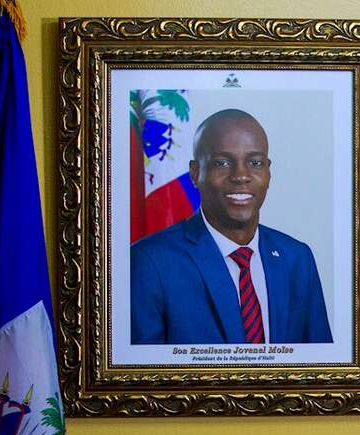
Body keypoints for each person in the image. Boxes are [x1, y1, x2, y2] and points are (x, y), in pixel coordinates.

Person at [130, 109, 333, 344]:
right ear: (195, 173)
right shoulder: (149, 262)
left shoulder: (297, 258)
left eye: (255, 162)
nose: (241, 176)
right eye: (222, 163)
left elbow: (320, 362)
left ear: (268, 172)